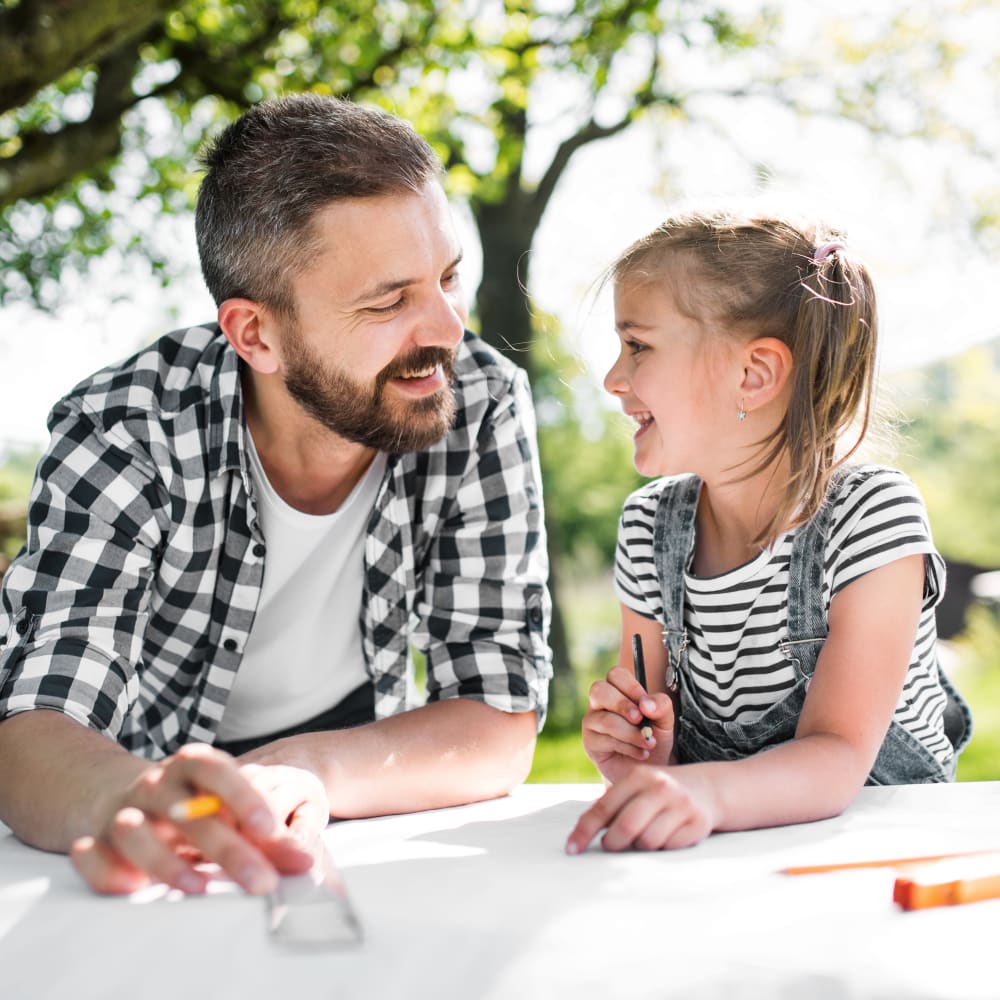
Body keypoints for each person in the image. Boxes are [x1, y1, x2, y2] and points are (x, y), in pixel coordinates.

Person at [0, 94, 552, 894]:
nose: (445, 328)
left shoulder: (480, 400)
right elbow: (35, 724)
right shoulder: (125, 427)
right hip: (148, 777)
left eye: (449, 276)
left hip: (355, 789)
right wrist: (136, 799)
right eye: (389, 300)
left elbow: (498, 721)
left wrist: (298, 773)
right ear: (253, 334)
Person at [565, 206, 971, 855]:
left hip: (875, 852)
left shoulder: (871, 517)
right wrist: (647, 756)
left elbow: (837, 755)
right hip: (729, 863)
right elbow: (658, 752)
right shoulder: (648, 528)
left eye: (638, 345)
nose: (613, 379)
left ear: (752, 375)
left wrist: (708, 793)